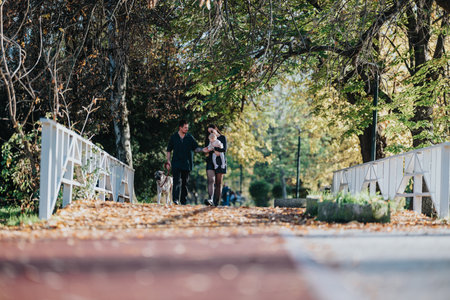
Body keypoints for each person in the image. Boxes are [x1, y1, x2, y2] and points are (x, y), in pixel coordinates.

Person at [166, 120, 207, 205]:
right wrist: (168, 161)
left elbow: (195, 148)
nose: (187, 129)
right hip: (176, 162)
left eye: (187, 128)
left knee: (185, 183)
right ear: (180, 128)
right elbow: (169, 150)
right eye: (185, 128)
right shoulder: (173, 137)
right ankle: (175, 200)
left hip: (187, 164)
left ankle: (183, 201)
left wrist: (202, 149)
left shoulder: (190, 137)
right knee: (176, 181)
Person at [203, 124, 227, 206]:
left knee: (218, 183)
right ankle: (210, 199)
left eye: (212, 131)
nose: (210, 133)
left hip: (220, 160)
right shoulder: (208, 139)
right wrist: (206, 150)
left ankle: (216, 202)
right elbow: (207, 149)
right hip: (211, 160)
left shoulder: (222, 138)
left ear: (215, 129)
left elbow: (224, 149)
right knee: (210, 180)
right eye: (209, 132)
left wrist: (214, 149)